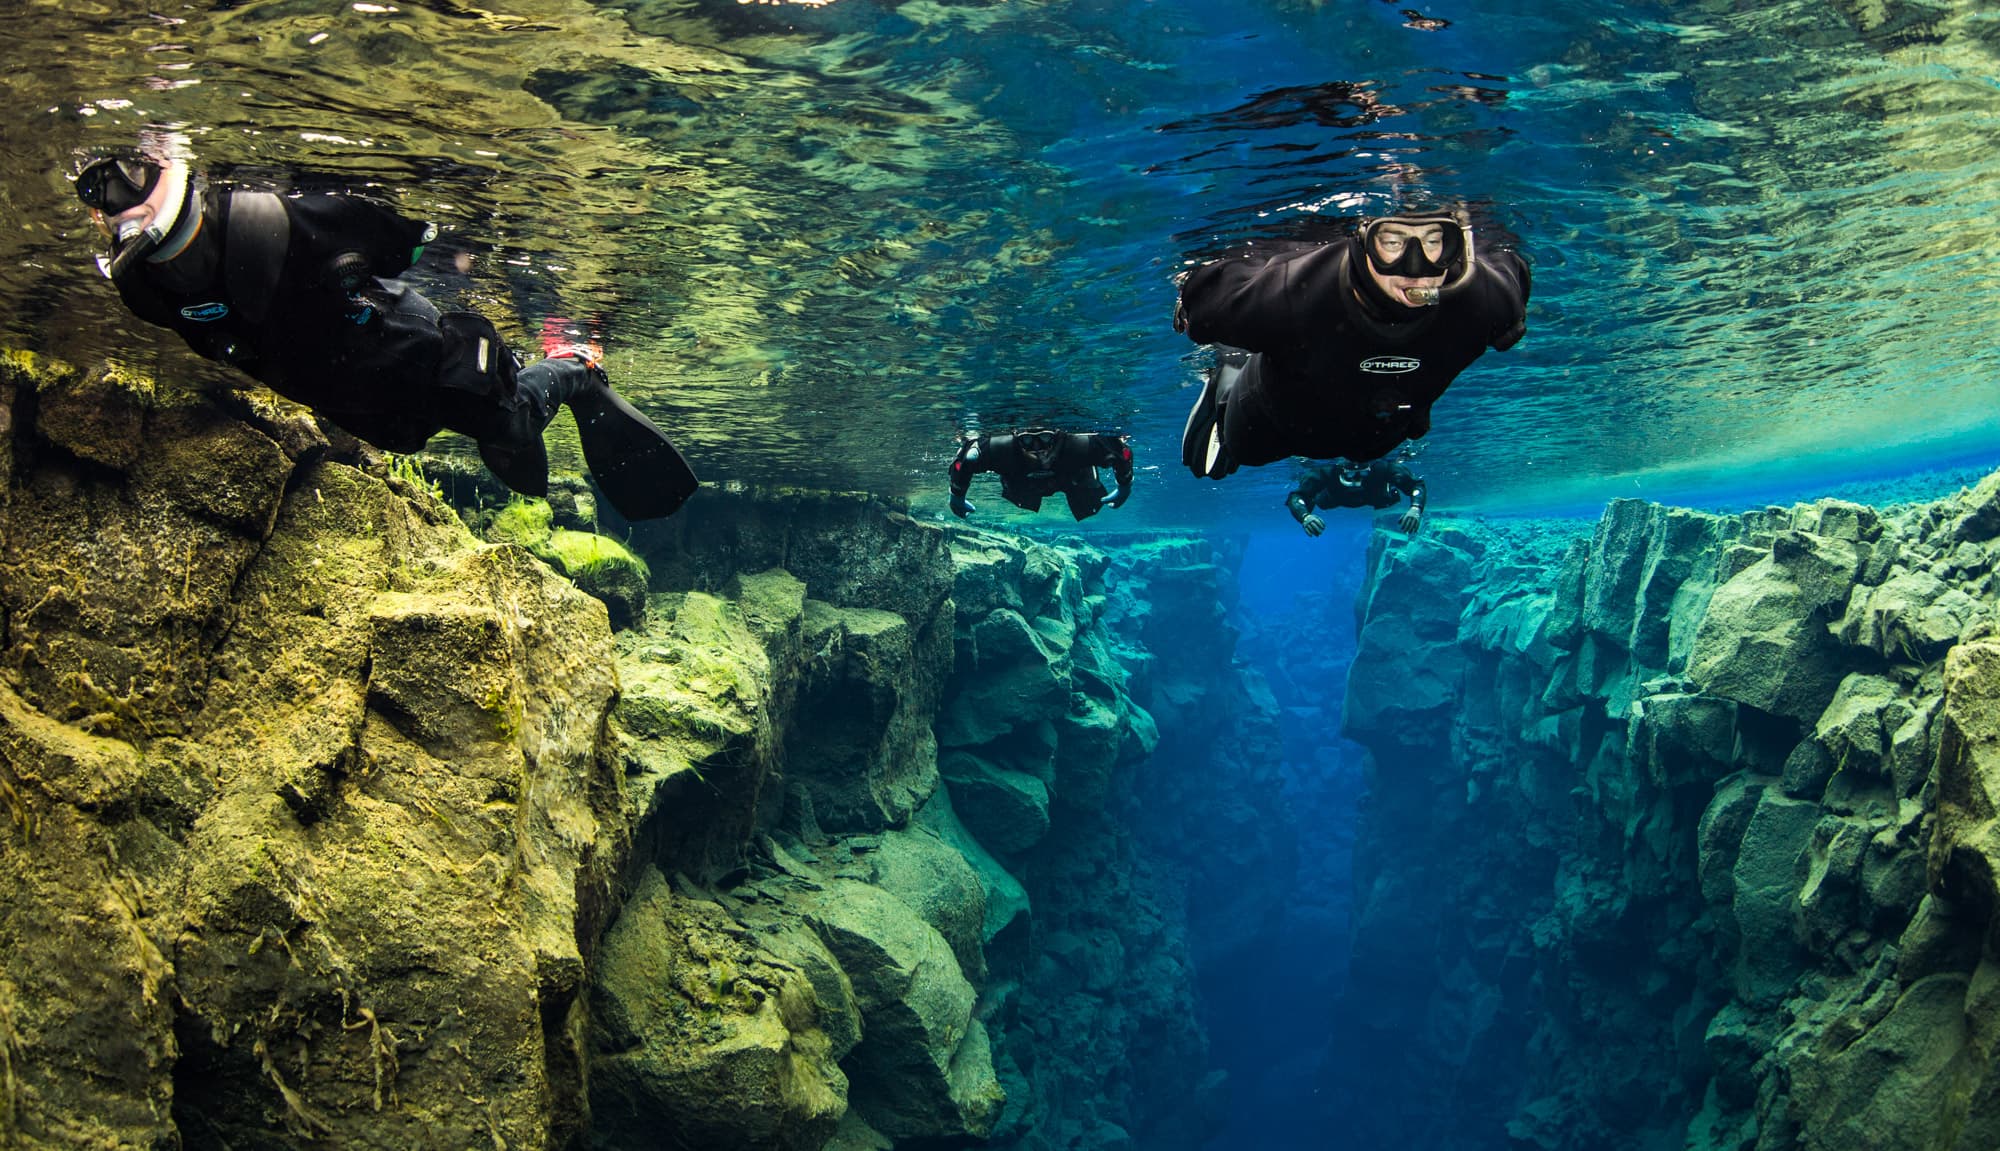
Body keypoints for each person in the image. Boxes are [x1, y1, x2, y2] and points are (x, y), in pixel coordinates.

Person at [72, 145, 698, 520]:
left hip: (426, 356)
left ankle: (575, 368)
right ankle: (508, 403)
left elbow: (425, 239)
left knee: (513, 421)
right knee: (431, 434)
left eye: (135, 174)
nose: (118, 202)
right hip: (367, 401)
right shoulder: (140, 289)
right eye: (103, 192)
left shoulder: (295, 218)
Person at [1175, 207, 1529, 479]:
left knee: (1369, 451)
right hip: (1272, 419)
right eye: (1391, 243)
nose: (1416, 268)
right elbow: (1206, 307)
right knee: (1245, 450)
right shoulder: (1294, 290)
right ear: (1361, 242)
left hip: (1379, 433)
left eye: (1435, 241)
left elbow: (1513, 280)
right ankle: (1227, 377)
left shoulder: (1487, 300)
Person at [948, 428, 1134, 521]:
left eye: (1046, 439)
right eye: (1027, 440)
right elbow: (965, 460)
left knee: (1087, 501)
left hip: (1072, 473)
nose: (1037, 449)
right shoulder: (1000, 447)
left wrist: (1125, 485)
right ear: (1016, 438)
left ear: (1058, 437)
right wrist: (956, 494)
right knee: (1019, 490)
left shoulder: (1078, 445)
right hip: (1021, 477)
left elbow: (1119, 451)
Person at [1287, 455, 1426, 537]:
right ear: (1341, 470)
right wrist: (1304, 516)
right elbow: (1296, 496)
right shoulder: (1324, 471)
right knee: (1310, 490)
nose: (1356, 479)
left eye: (1362, 473)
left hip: (1376, 495)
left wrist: (1416, 508)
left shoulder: (1384, 468)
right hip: (1331, 497)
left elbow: (1416, 485)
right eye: (1351, 474)